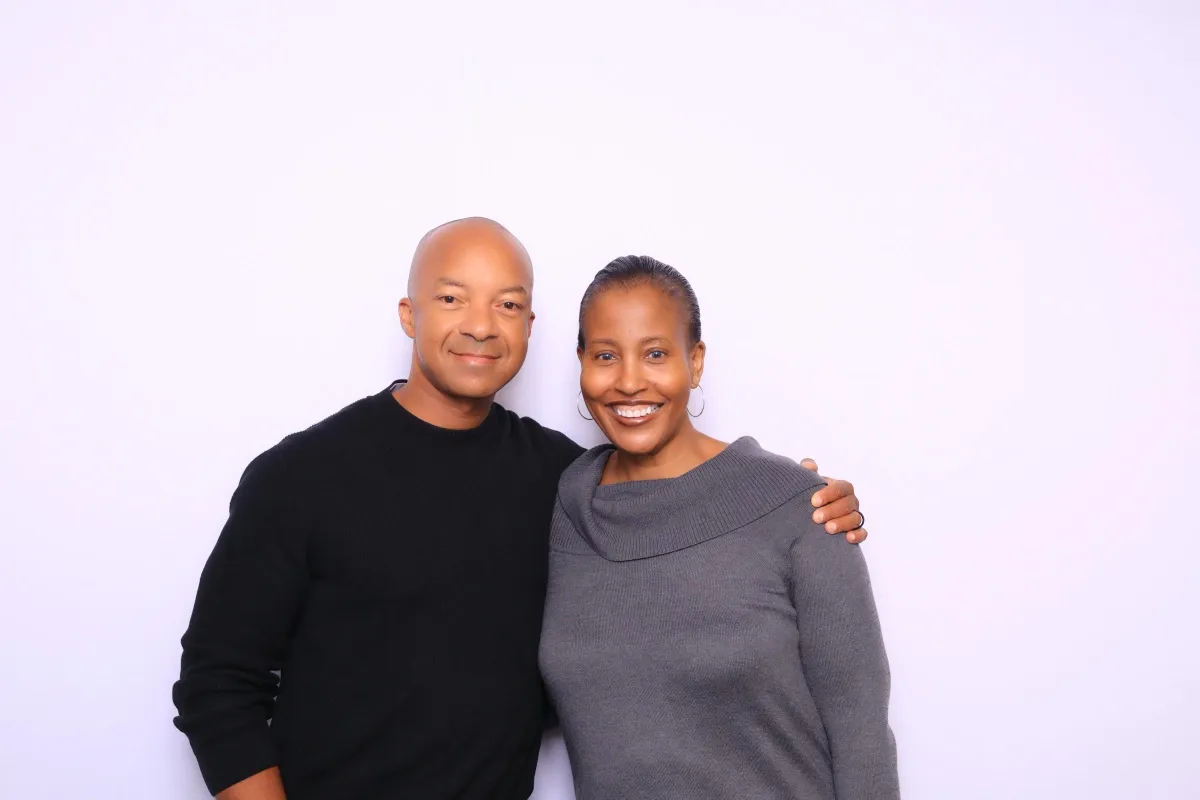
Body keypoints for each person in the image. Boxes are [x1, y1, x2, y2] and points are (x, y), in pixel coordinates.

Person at [172, 219, 870, 800]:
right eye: (452, 299)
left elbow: (676, 513)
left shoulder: (565, 482)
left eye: (506, 304)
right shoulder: (301, 475)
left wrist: (793, 498)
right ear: (409, 314)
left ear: (530, 326)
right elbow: (217, 686)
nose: (481, 326)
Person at [540, 255, 898, 799]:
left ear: (696, 361)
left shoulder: (799, 507)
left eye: (656, 353)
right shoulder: (566, 511)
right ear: (581, 363)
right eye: (606, 355)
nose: (630, 381)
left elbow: (862, 738)